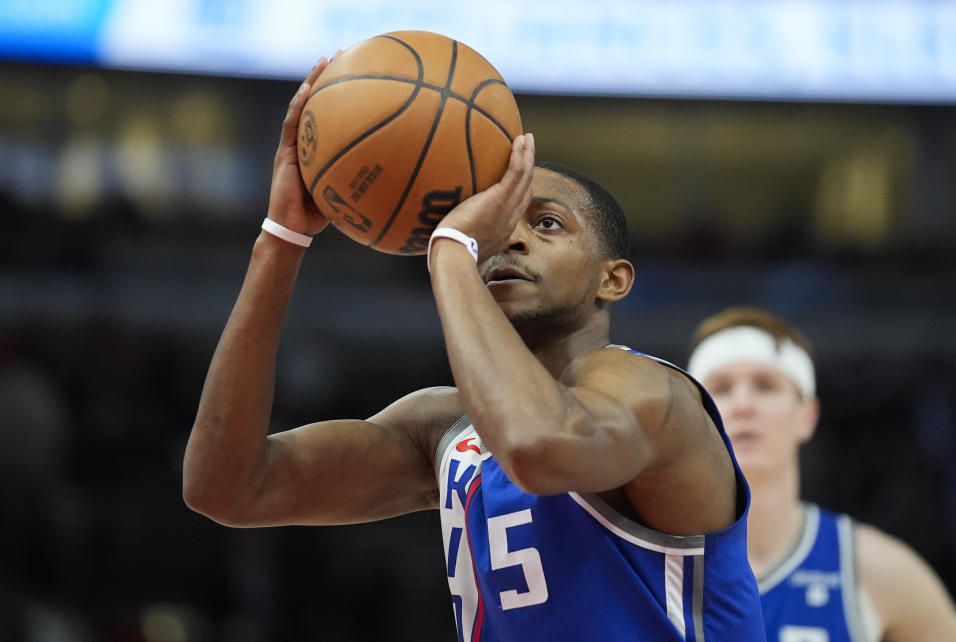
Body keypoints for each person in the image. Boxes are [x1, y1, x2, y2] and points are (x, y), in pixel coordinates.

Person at [183, 57, 765, 641]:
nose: (509, 237)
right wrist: (282, 238)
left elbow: (541, 448)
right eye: (499, 223)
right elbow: (229, 487)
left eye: (547, 225)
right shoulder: (442, 430)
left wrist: (450, 251)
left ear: (611, 280)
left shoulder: (653, 393)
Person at [687, 307, 956, 642]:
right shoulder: (648, 565)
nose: (743, 404)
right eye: (722, 387)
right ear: (694, 416)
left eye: (766, 385)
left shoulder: (875, 569)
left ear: (807, 416)